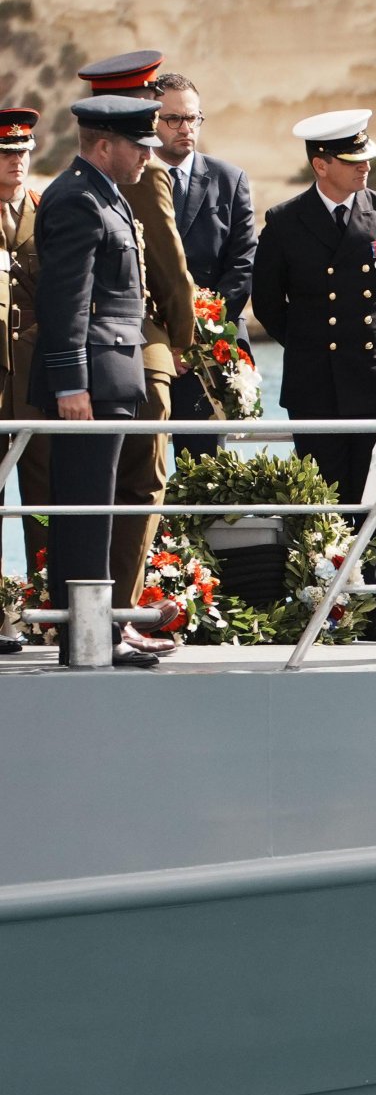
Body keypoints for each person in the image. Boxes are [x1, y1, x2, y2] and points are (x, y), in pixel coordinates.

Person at [251, 108, 376, 643]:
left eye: (366, 158)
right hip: (316, 384)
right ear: (320, 164)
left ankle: (372, 611)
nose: (365, 168)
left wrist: (372, 345)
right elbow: (269, 305)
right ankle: (323, 607)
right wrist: (313, 348)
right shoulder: (284, 220)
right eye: (352, 161)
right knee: (321, 499)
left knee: (375, 501)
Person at [30, 95, 166, 669]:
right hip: (90, 383)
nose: (145, 158)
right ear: (104, 145)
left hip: (110, 377)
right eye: (138, 146)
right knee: (86, 509)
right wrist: (70, 385)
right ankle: (89, 638)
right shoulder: (77, 199)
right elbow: (68, 302)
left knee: (94, 507)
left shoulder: (105, 194)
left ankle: (92, 629)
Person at [77, 51, 194, 648]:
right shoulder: (142, 170)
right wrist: (185, 337)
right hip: (137, 347)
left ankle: (85, 617)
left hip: (93, 353)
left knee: (86, 491)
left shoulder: (82, 172)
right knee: (140, 483)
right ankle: (114, 615)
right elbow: (169, 270)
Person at [154, 70, 257, 460]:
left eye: (193, 118)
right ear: (153, 122)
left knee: (206, 471)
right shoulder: (130, 181)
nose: (186, 128)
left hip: (210, 348)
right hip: (148, 346)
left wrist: (197, 337)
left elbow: (242, 263)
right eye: (174, 119)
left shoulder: (229, 179)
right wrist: (164, 338)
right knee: (143, 475)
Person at [0, 107, 47, 652]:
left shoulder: (45, 210)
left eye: (22, 152)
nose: (16, 162)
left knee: (44, 497)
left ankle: (44, 610)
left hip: (36, 376)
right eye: (7, 153)